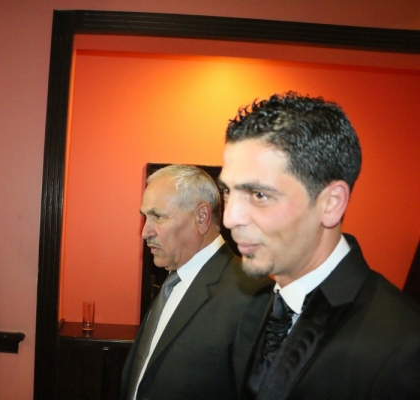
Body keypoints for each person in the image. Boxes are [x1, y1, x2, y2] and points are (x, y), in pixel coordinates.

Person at [219, 92, 420, 400]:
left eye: (259, 195)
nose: (230, 218)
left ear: (331, 203)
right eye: (227, 192)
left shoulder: (404, 344)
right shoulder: (255, 308)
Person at [121, 164, 272, 400]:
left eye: (158, 216)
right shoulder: (172, 282)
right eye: (145, 217)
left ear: (201, 217)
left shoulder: (252, 294)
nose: (145, 232)